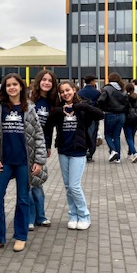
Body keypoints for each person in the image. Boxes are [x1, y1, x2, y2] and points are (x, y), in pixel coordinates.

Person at [0, 73, 47, 253]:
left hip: (24, 162)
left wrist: (39, 161)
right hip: (3, 162)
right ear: (4, 88)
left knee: (23, 199)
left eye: (15, 84)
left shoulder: (29, 108)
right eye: (8, 85)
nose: (12, 88)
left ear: (21, 86)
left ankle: (20, 237)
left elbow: (39, 136)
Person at [48, 80, 104, 230]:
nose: (65, 93)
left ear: (74, 90)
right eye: (62, 92)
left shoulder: (84, 106)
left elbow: (100, 115)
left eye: (68, 90)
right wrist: (59, 110)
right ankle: (73, 215)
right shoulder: (60, 108)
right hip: (63, 151)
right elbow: (49, 122)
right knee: (68, 187)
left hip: (78, 151)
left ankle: (84, 216)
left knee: (74, 186)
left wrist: (80, 106)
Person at [26, 69, 58, 230]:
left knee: (38, 181)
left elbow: (49, 127)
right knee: (27, 182)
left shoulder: (52, 102)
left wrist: (48, 146)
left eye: (50, 81)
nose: (46, 83)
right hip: (26, 146)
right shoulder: (29, 100)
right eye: (44, 79)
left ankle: (41, 216)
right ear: (38, 82)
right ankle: (29, 218)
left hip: (41, 146)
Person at [97, 72, 129, 163]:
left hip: (110, 114)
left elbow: (100, 100)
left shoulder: (107, 89)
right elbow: (127, 103)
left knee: (107, 135)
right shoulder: (123, 89)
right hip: (121, 115)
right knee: (116, 136)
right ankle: (118, 158)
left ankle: (113, 150)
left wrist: (102, 109)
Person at [78, 74, 101, 162]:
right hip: (93, 116)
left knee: (83, 134)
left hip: (82, 116)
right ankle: (90, 154)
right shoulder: (97, 93)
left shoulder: (80, 92)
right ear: (92, 82)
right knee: (92, 134)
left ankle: (83, 151)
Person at [123, 83, 137, 163]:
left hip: (127, 119)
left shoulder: (125, 97)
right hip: (136, 119)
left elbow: (124, 108)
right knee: (132, 136)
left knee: (128, 137)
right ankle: (129, 153)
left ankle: (135, 153)